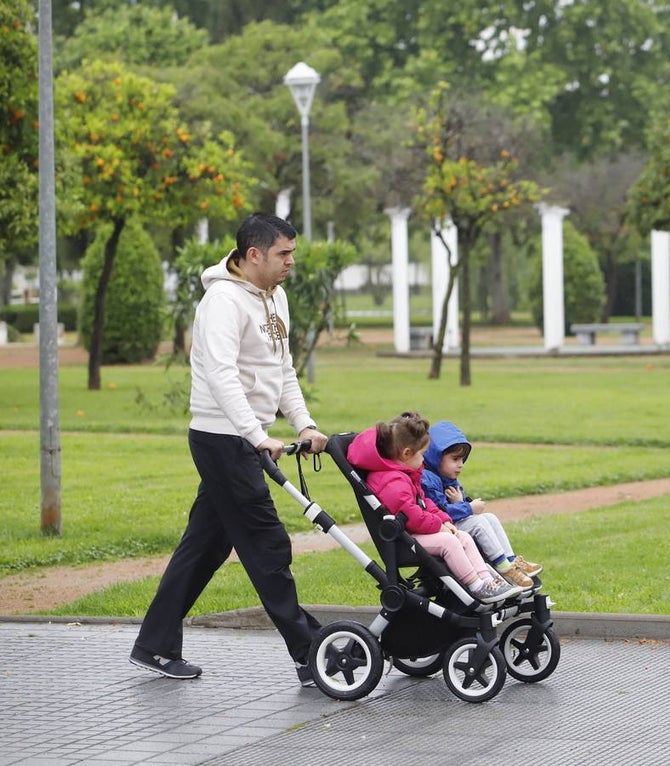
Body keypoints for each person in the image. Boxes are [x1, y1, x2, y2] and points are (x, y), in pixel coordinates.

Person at [130, 213, 328, 686]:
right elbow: (220, 375)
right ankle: (309, 653)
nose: (291, 262)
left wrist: (305, 423)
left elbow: (283, 371)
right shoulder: (221, 301)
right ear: (253, 254)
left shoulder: (275, 297)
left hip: (244, 437)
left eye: (292, 253)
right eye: (283, 253)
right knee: (267, 543)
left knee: (206, 544)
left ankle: (154, 645)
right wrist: (255, 434)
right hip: (223, 438)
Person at [346, 412, 522, 604]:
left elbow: (425, 503)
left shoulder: (405, 474)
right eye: (422, 455)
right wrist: (439, 527)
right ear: (406, 454)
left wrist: (444, 520)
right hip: (406, 538)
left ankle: (488, 580)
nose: (424, 460)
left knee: (463, 536)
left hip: (419, 532)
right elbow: (413, 516)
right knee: (450, 542)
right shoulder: (392, 482)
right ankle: (476, 586)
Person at [421, 421, 543, 589]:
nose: (460, 464)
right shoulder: (428, 479)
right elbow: (439, 512)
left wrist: (460, 503)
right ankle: (504, 568)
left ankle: (511, 560)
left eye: (462, 459)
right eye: (455, 459)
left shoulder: (447, 478)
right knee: (478, 522)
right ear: (436, 457)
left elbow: (454, 508)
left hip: (454, 524)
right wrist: (468, 508)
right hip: (445, 528)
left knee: (490, 517)